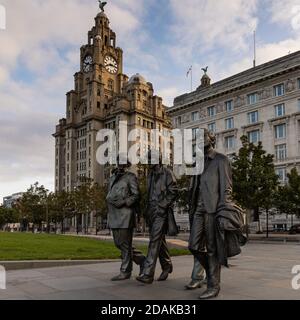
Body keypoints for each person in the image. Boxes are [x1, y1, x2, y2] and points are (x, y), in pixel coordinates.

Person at [188, 130, 246, 299]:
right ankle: (211, 272)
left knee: (213, 249)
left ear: (211, 139)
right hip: (198, 209)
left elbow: (227, 188)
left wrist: (224, 210)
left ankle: (214, 285)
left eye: (203, 137)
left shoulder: (221, 160)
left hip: (213, 208)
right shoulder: (197, 162)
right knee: (193, 245)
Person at [136, 150, 178, 284]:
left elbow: (173, 192)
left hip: (162, 211)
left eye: (150, 159)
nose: (148, 162)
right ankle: (167, 265)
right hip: (152, 212)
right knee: (159, 241)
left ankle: (148, 274)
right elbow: (149, 195)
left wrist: (162, 205)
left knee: (154, 241)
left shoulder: (167, 173)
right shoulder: (150, 175)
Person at [106, 156, 145, 281]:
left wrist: (124, 202)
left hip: (125, 214)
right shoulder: (112, 177)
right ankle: (142, 260)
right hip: (113, 214)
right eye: (119, 161)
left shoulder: (131, 177)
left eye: (123, 162)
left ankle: (125, 271)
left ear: (127, 164)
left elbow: (136, 195)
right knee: (119, 244)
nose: (121, 164)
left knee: (125, 244)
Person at [185, 174, 206, 290]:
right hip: (196, 211)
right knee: (195, 245)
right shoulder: (194, 174)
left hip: (210, 211)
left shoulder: (215, 164)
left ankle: (200, 277)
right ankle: (199, 276)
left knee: (211, 247)